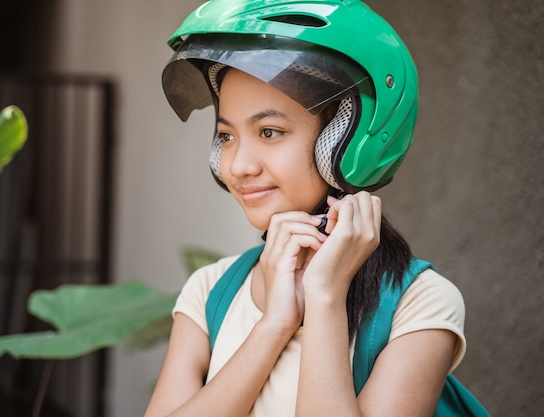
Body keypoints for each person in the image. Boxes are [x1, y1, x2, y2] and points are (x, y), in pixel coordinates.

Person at [145, 0, 466, 416]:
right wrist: (273, 326)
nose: (240, 165)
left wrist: (325, 299)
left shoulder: (419, 303)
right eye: (226, 136)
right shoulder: (210, 291)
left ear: (347, 141)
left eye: (269, 131)